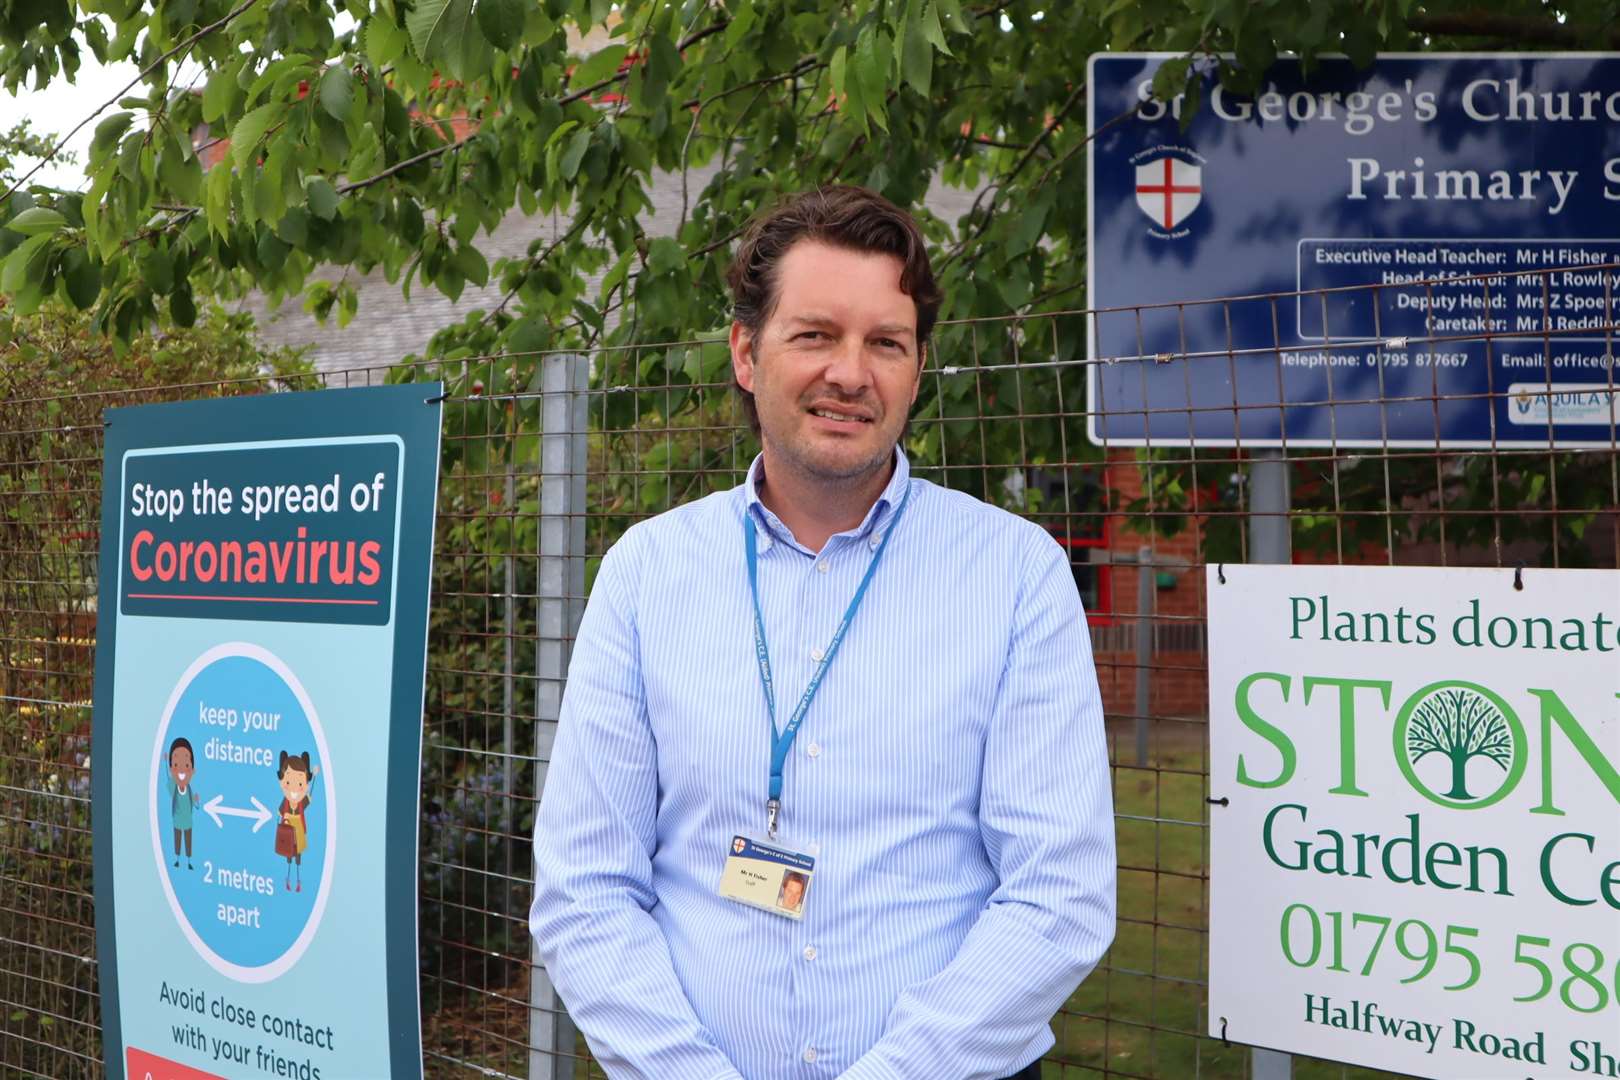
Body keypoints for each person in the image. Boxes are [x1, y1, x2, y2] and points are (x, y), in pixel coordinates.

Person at [530, 185, 1115, 1079]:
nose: (852, 372)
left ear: (918, 369)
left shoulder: (1017, 577)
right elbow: (587, 889)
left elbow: (1058, 897)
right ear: (745, 353)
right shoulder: (648, 574)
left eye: (887, 342)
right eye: (815, 335)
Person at [166, 737, 200, 869]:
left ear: (192, 770)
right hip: (177, 821)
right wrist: (164, 763)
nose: (181, 769)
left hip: (188, 822)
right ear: (171, 768)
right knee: (178, 841)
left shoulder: (189, 790)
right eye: (175, 765)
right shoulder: (174, 788)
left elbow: (195, 805)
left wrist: (197, 802)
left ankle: (189, 861)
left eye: (186, 765)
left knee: (188, 842)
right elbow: (167, 778)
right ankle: (177, 859)